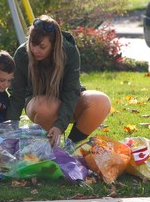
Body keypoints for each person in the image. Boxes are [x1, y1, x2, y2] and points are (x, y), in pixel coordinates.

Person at [6, 15, 111, 147]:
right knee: (48, 106)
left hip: (67, 101)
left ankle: (71, 146)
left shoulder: (70, 52)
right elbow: (17, 95)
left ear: (54, 45)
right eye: (32, 44)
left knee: (100, 101)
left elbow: (71, 91)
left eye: (42, 46)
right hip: (39, 103)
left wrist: (59, 126)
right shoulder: (22, 54)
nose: (35, 50)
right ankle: (46, 147)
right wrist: (9, 131)